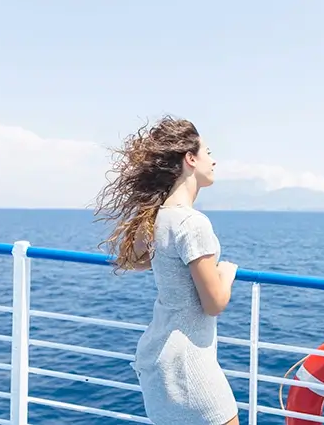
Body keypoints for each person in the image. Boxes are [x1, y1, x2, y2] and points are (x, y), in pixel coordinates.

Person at [94, 116, 240, 425]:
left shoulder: (156, 219)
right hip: (192, 370)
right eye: (208, 153)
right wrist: (226, 272)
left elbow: (141, 261)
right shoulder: (192, 223)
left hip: (159, 364)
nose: (213, 161)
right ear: (190, 159)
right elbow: (213, 303)